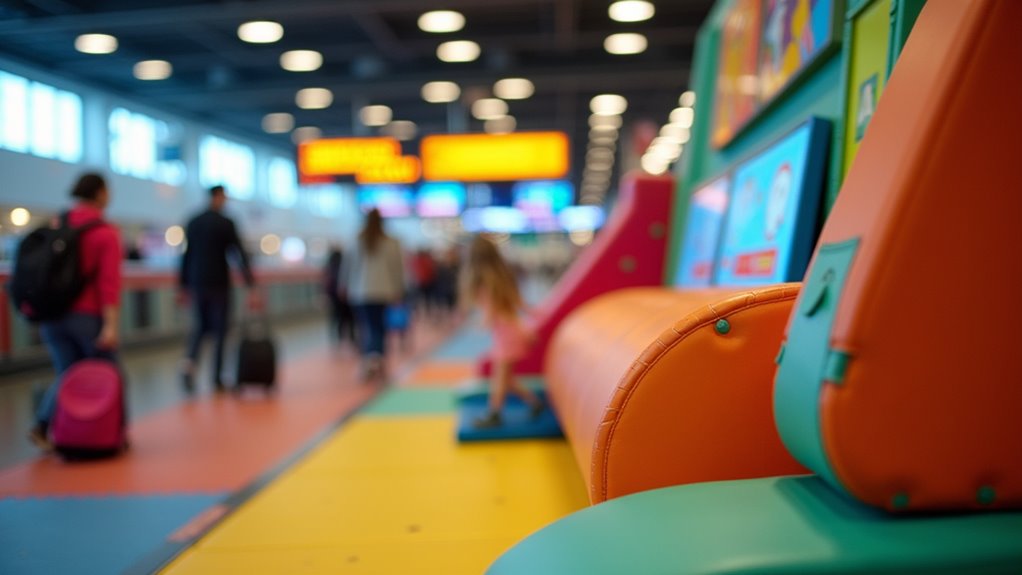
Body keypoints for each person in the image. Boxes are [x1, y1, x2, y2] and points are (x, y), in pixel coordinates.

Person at [29, 173, 123, 450]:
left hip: (53, 316)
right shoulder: (105, 232)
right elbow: (109, 283)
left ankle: (44, 426)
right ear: (99, 193)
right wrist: (111, 325)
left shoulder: (57, 224)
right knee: (111, 375)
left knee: (68, 375)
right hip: (87, 317)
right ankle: (114, 434)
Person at [178, 185, 256, 393]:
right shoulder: (226, 223)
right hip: (219, 284)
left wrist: (183, 285)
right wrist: (250, 283)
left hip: (197, 283)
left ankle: (189, 365)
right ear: (218, 196)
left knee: (200, 328)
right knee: (221, 331)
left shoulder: (193, 221)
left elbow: (186, 256)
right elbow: (238, 253)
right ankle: (217, 378)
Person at [460, 235, 544, 428]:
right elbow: (517, 303)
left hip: (507, 336)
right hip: (512, 332)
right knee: (507, 379)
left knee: (499, 377)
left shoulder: (484, 280)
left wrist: (484, 321)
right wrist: (534, 316)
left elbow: (492, 308)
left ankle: (494, 412)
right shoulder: (500, 276)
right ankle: (535, 402)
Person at [340, 208, 404, 381]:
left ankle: (369, 360)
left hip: (360, 292)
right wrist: (399, 289)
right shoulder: (391, 242)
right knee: (380, 327)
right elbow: (397, 268)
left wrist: (344, 286)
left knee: (366, 327)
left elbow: (347, 267)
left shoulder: (356, 241)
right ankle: (378, 360)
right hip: (384, 291)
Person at [323, 246, 357, 348]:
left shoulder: (329, 267)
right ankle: (352, 339)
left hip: (335, 298)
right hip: (347, 297)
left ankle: (337, 340)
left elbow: (326, 283)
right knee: (350, 319)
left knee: (336, 318)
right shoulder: (345, 267)